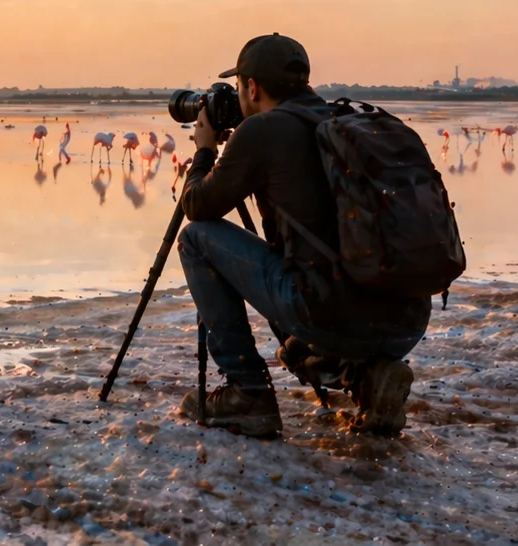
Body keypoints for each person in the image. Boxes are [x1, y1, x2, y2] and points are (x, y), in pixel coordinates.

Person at [176, 33, 429, 437]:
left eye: (239, 87)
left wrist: (205, 151)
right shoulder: (341, 120)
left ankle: (248, 391)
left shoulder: (262, 131)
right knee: (301, 332)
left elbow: (196, 206)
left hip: (330, 312)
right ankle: (369, 377)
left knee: (196, 238)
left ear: (252, 88)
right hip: (408, 321)